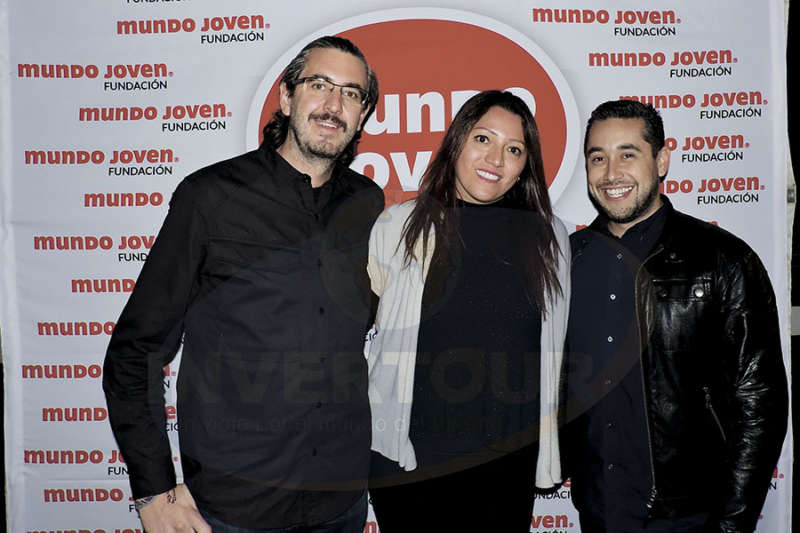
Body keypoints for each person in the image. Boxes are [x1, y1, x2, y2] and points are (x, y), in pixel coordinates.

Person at [103, 36, 384, 533]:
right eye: (319, 85)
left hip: (340, 501)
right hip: (234, 509)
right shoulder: (209, 198)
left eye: (352, 93)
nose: (334, 104)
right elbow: (134, 351)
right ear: (287, 97)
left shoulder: (369, 204)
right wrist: (153, 490)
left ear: (362, 115)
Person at [563, 99, 788, 533]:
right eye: (598, 158)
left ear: (661, 160)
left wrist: (731, 524)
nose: (611, 174)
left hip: (691, 517)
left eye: (628, 154)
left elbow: (759, 405)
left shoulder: (723, 260)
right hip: (597, 512)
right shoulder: (568, 264)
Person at [365, 90, 570, 532]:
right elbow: (368, 332)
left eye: (514, 149)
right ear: (457, 142)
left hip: (506, 466)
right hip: (410, 463)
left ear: (525, 167)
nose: (495, 158)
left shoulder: (550, 238)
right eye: (483, 139)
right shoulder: (397, 226)